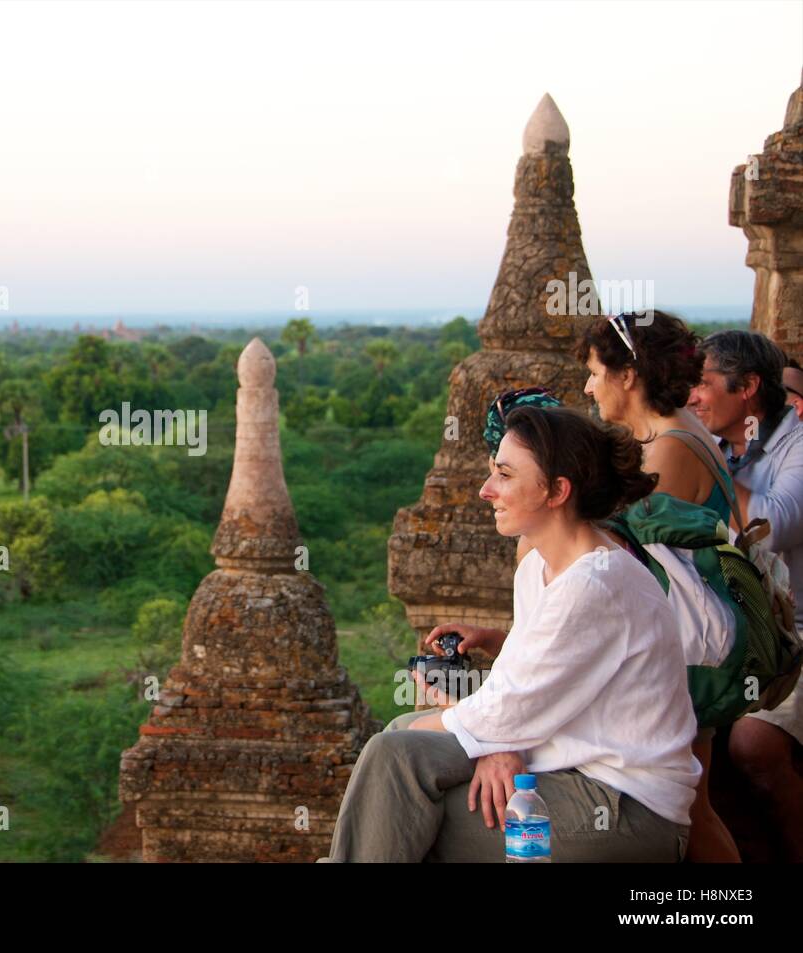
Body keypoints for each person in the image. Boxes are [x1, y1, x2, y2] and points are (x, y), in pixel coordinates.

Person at [319, 406, 698, 862]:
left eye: (504, 474)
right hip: (563, 768)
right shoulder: (539, 566)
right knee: (399, 742)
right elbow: (517, 692)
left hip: (625, 807)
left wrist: (492, 736)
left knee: (403, 788)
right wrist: (495, 742)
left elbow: (506, 709)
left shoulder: (595, 584)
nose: (486, 490)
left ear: (557, 491)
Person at [575, 310, 739, 861]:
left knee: (688, 804)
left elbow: (625, 554)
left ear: (627, 375)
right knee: (691, 800)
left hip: (687, 648)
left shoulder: (668, 448)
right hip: (686, 639)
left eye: (596, 372)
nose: (588, 385)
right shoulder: (665, 434)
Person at [688, 330, 803, 862]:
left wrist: (704, 464)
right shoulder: (722, 448)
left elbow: (772, 526)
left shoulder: (796, 445)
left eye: (704, 383)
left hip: (793, 631)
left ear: (749, 386)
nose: (693, 396)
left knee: (752, 745)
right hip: (734, 627)